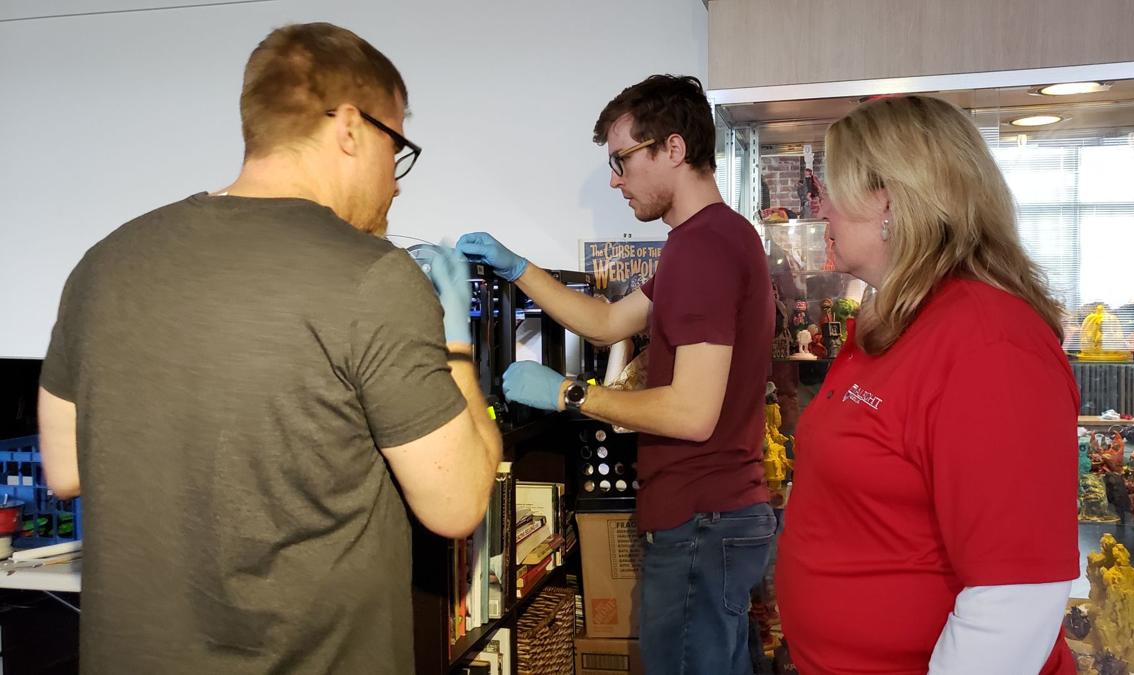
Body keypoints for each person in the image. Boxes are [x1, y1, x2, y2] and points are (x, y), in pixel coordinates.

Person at [36, 23, 501, 674]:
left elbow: (65, 470)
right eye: (395, 146)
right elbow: (458, 503)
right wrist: (456, 348)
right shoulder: (372, 277)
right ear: (350, 127)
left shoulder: (103, 264)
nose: (397, 182)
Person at [456, 74, 775, 675]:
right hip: (715, 520)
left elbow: (691, 413)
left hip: (701, 521)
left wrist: (570, 393)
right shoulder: (708, 240)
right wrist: (518, 267)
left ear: (673, 149)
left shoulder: (704, 249)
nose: (614, 181)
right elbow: (606, 324)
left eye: (622, 160)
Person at [774, 94, 1078, 674]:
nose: (823, 208)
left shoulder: (990, 343)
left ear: (889, 199)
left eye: (833, 189)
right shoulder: (899, 319)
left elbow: (1015, 598)